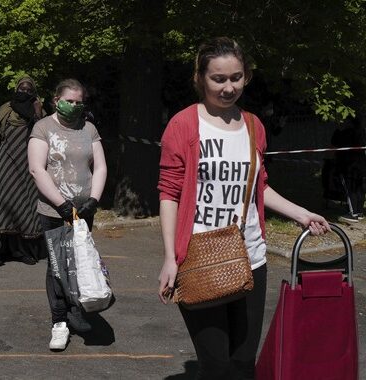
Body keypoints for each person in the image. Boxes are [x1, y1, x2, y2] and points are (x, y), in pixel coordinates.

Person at [156, 37, 330, 379]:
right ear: (201, 78)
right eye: (218, 78)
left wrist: (300, 213)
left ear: (246, 76)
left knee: (242, 363)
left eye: (236, 77)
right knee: (216, 365)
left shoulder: (253, 126)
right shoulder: (183, 125)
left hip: (251, 257)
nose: (228, 87)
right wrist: (169, 258)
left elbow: (258, 186)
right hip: (198, 258)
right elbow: (169, 193)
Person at [28, 78, 108, 351]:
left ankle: (76, 308)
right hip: (54, 210)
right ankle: (59, 321)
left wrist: (94, 200)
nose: (74, 106)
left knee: (80, 260)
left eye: (79, 102)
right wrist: (62, 204)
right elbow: (37, 169)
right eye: (69, 101)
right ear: (56, 100)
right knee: (57, 265)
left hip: (83, 210)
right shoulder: (43, 128)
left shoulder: (89, 129)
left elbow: (99, 167)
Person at [0, 76, 46, 265]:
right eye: (21, 89)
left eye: (28, 90)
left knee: (26, 204)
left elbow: (42, 133)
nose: (24, 92)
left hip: (29, 164)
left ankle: (22, 251)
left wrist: (38, 111)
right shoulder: (6, 108)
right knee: (5, 204)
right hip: (7, 163)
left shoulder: (38, 110)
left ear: (34, 92)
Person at [331, 115, 366, 223]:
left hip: (348, 166)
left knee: (350, 189)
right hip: (361, 165)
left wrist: (337, 129)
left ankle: (353, 213)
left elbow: (334, 141)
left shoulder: (345, 133)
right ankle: (359, 212)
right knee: (359, 188)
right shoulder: (362, 132)